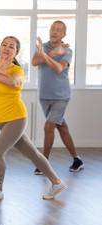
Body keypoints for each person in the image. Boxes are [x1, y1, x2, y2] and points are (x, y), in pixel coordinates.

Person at [0, 36, 67, 202]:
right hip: (1, 119)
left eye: (11, 47)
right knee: (33, 154)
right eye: (4, 45)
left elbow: (13, 83)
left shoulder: (17, 70)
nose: (7, 48)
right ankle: (56, 182)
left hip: (15, 117)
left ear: (16, 52)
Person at [32, 20, 84, 175]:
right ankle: (77, 159)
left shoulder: (67, 51)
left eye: (59, 30)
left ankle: (43, 164)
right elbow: (35, 62)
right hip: (44, 95)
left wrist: (46, 56)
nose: (54, 32)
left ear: (64, 34)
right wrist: (52, 53)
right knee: (61, 126)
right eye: (52, 29)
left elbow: (59, 68)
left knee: (49, 126)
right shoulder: (43, 47)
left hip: (61, 96)